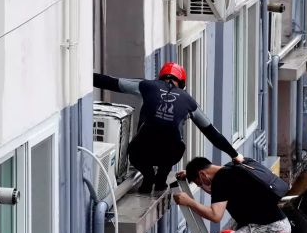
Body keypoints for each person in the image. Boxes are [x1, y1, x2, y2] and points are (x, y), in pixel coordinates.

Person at [93, 63, 243, 193]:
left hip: (142, 150)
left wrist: (86, 76)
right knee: (176, 143)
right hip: (170, 152)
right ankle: (161, 179)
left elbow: (111, 82)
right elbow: (212, 133)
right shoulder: (189, 101)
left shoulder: (147, 86)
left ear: (160, 78)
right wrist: (234, 154)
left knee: (135, 150)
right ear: (182, 83)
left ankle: (148, 175)